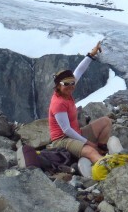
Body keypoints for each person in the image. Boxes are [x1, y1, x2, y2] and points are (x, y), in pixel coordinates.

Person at [47, 41, 112, 174]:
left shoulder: (67, 90)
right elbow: (66, 130)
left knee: (106, 121)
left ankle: (102, 151)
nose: (71, 86)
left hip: (77, 133)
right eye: (66, 83)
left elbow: (79, 71)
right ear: (58, 85)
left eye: (72, 83)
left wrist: (91, 54)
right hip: (62, 140)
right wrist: (88, 142)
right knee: (90, 150)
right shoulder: (58, 103)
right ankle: (108, 170)